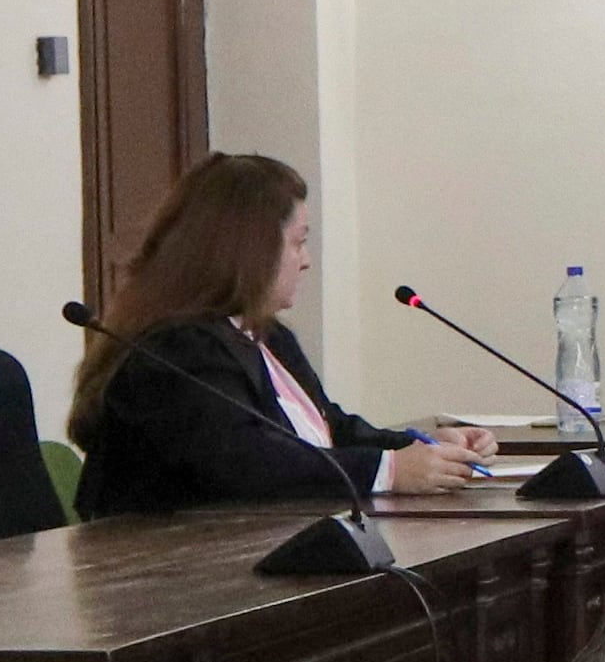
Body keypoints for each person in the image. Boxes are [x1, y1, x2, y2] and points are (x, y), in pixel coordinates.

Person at [68, 151, 483, 514]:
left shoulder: (265, 335)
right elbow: (245, 464)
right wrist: (388, 471)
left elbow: (328, 428)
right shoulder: (179, 349)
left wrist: (422, 448)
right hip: (172, 576)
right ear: (250, 250)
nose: (306, 261)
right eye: (298, 243)